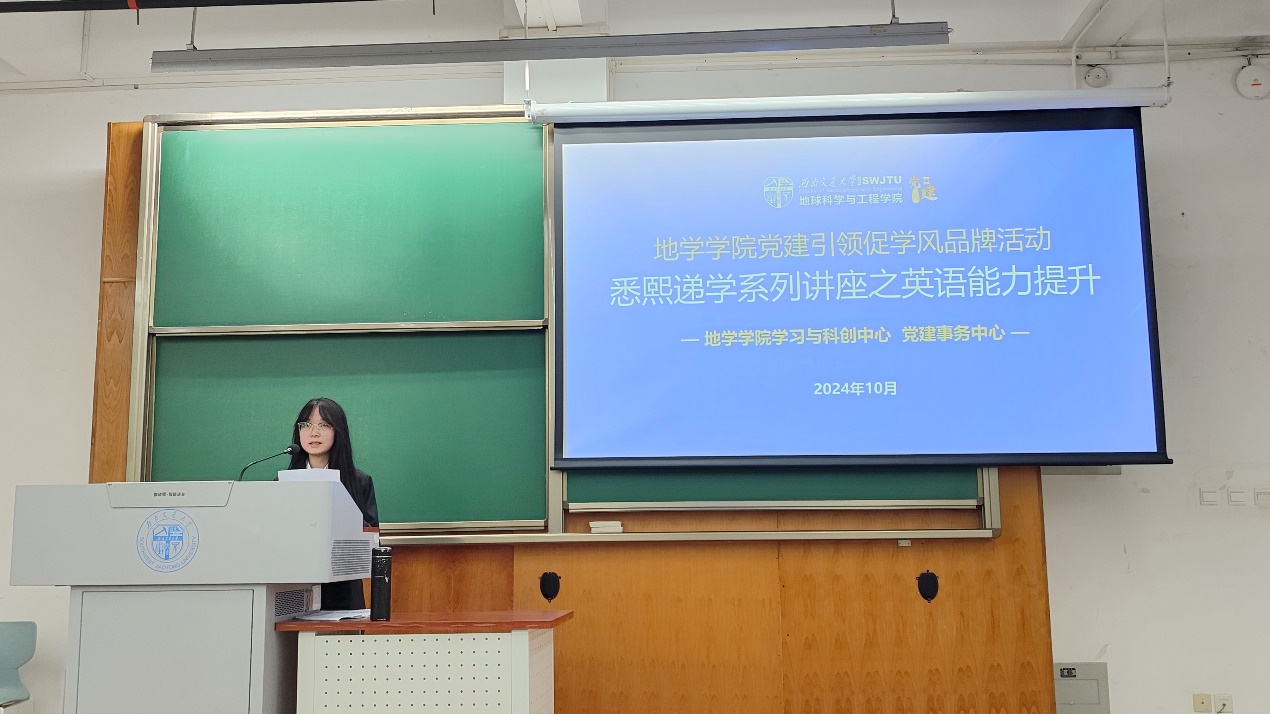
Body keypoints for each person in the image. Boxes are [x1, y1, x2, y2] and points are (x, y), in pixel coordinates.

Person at [289, 397, 379, 610]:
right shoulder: (283, 483)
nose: (313, 433)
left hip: (343, 590)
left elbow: (371, 540)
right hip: (292, 587)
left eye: (323, 425)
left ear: (338, 432)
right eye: (306, 425)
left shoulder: (359, 482)